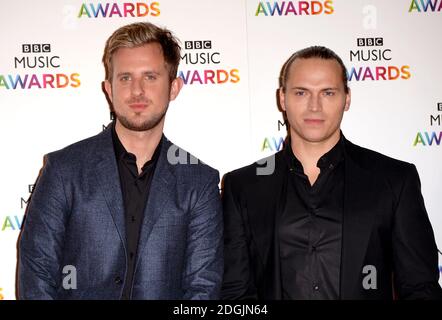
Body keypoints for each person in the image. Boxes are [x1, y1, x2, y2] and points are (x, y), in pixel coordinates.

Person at [18, 22, 223, 300]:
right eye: (125, 78)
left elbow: (203, 288)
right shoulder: (64, 169)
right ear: (108, 89)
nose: (136, 91)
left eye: (150, 77)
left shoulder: (199, 181)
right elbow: (37, 275)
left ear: (174, 87)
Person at [221, 46, 442, 300]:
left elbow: (420, 288)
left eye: (328, 92)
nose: (314, 106)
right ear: (282, 98)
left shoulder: (394, 180)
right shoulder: (243, 186)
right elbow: (234, 294)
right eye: (301, 92)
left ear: (347, 99)